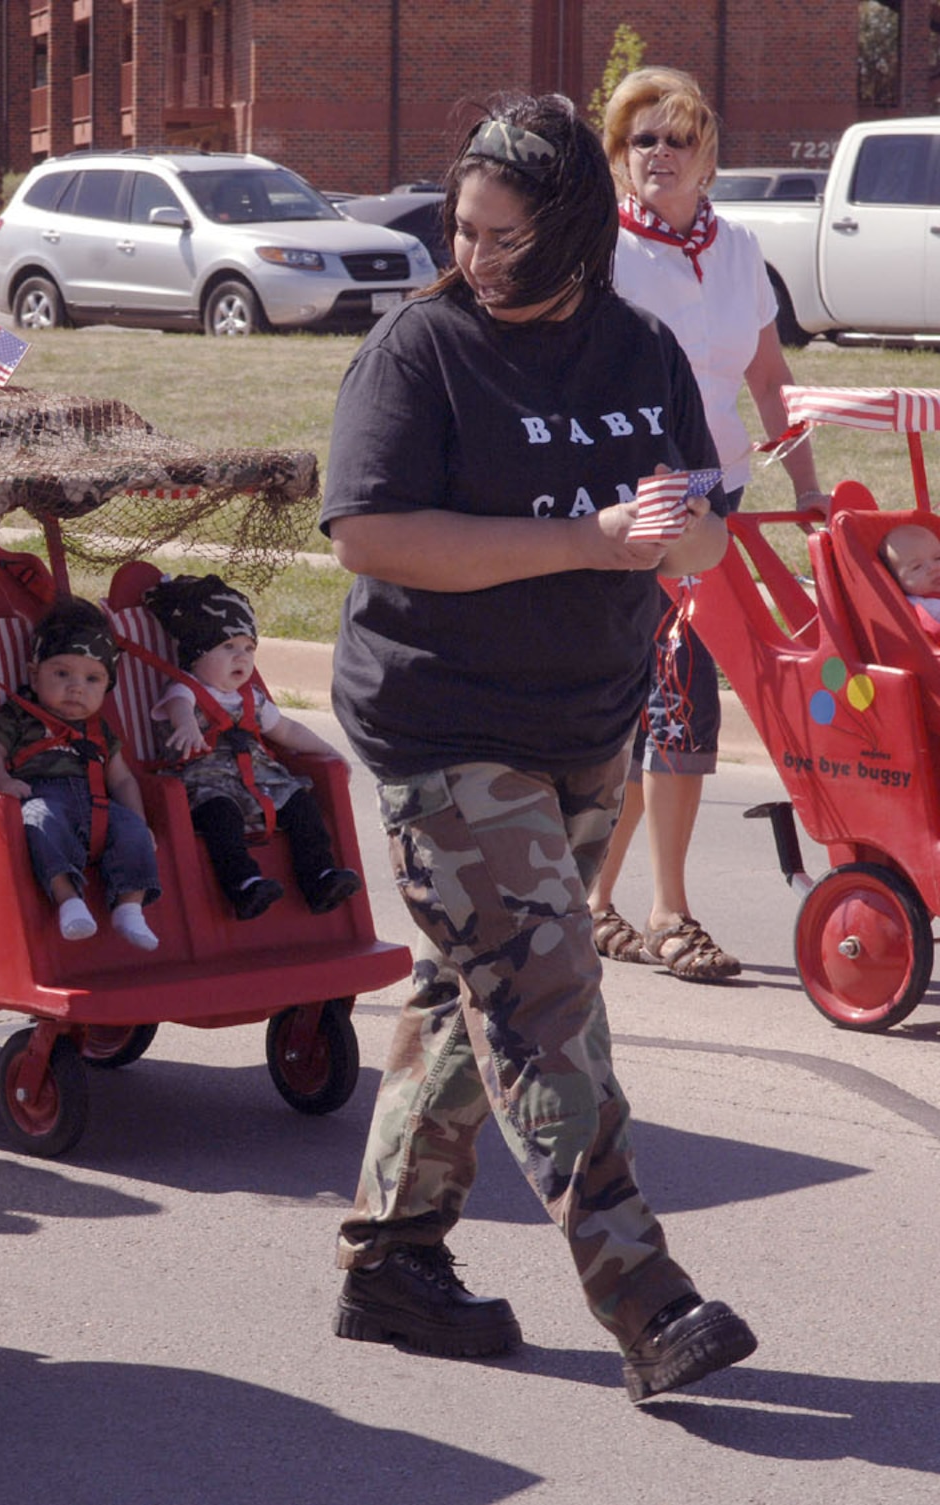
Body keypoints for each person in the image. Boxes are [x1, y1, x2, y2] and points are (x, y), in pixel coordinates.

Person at [320, 94, 758, 1402]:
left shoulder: (639, 348)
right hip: (445, 725)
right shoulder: (423, 351)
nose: (477, 257)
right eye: (463, 230)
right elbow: (371, 535)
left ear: (572, 232)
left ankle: (391, 1264)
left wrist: (679, 534)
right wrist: (581, 540)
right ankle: (647, 1299)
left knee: (485, 992)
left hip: (587, 721)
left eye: (506, 236)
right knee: (547, 1000)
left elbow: (702, 529)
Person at [587, 66, 830, 983]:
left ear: (707, 156)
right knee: (666, 697)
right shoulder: (600, 249)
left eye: (676, 137)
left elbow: (771, 383)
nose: (658, 153)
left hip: (714, 498)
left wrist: (805, 491)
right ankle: (665, 911)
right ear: (618, 155)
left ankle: (603, 901)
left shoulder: (737, 250)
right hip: (629, 499)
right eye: (639, 138)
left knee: (670, 697)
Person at [141, 573, 361, 920]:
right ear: (196, 654)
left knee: (302, 807)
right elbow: (177, 707)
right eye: (227, 647)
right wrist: (185, 725)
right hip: (208, 783)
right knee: (221, 820)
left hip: (260, 782)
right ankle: (243, 885)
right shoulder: (185, 688)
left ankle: (319, 877)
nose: (241, 658)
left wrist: (327, 751)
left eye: (248, 648)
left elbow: (286, 730)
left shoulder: (251, 698)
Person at [0, 598, 161, 950]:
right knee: (39, 821)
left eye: (92, 678)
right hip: (42, 794)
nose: (77, 688)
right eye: (62, 674)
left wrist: (139, 819)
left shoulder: (98, 729)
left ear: (107, 686)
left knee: (134, 832)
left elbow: (120, 779)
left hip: (96, 803)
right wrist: (1, 782)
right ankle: (68, 900)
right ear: (35, 674)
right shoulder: (19, 714)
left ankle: (130, 908)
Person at [879, 523, 940, 642]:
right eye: (916, 567)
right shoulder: (918, 605)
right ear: (896, 580)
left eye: (938, 558)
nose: (934, 568)